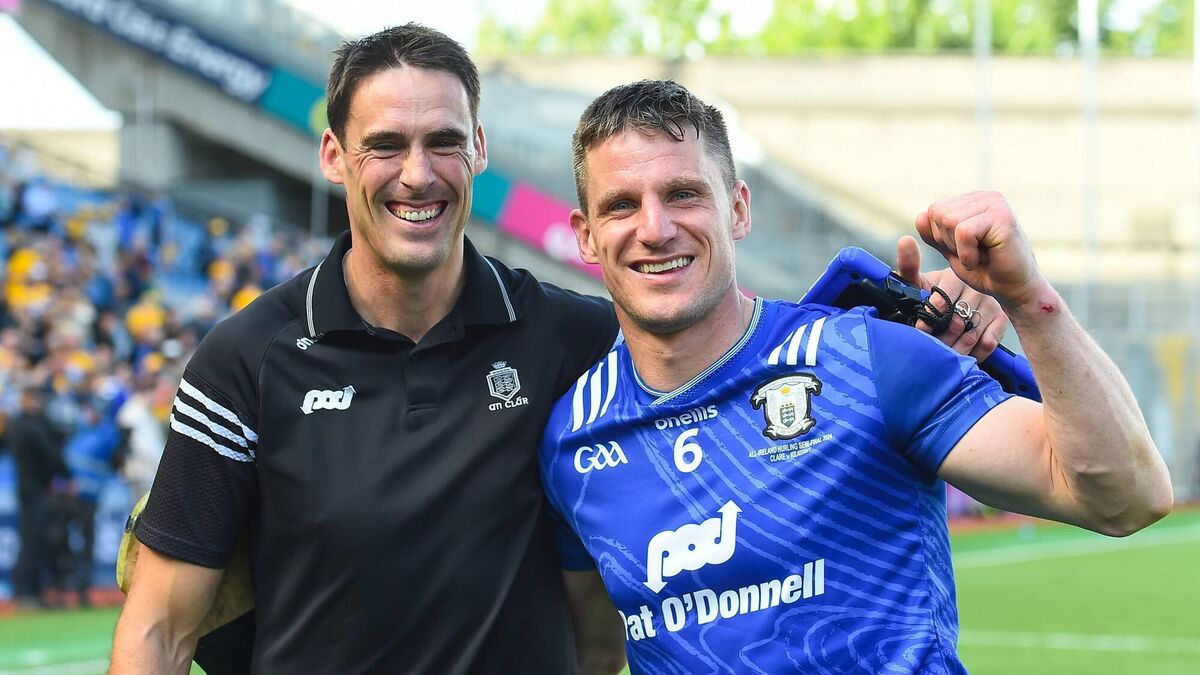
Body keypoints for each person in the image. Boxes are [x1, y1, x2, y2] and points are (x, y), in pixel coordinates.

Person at [110, 25, 1001, 674]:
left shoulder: (576, 337)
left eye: (443, 142)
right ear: (335, 156)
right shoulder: (245, 359)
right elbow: (158, 630)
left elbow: (730, 346)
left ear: (479, 151)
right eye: (385, 145)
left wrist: (899, 326)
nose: (417, 173)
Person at [539, 80, 1174, 674]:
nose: (655, 229)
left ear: (737, 210)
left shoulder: (865, 359)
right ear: (586, 237)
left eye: (683, 194)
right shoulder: (571, 438)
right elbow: (591, 651)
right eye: (621, 206)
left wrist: (1028, 298)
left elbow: (1124, 497)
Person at [8, 387, 69, 608]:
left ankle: (28, 592)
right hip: (34, 490)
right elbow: (50, 454)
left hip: (28, 489)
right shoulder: (30, 426)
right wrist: (67, 474)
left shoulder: (19, 425)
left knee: (31, 541)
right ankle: (27, 593)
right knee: (33, 542)